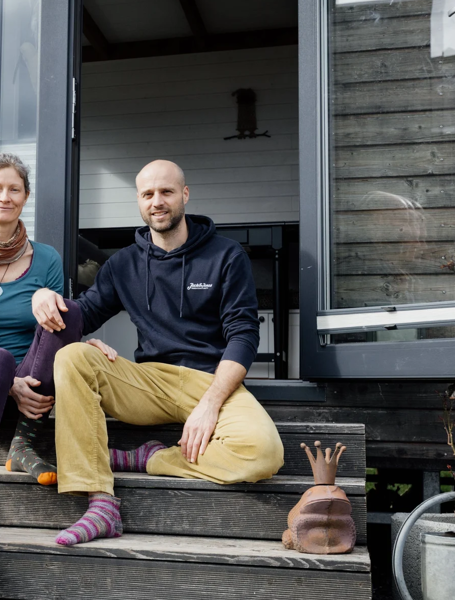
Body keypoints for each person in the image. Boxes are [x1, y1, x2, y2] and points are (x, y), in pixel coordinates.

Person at [30, 159, 285, 546]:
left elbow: (244, 335)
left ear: (184, 194)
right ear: (139, 200)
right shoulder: (123, 264)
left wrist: (211, 404)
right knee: (72, 357)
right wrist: (44, 296)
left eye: (166, 191)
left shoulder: (226, 255)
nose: (157, 201)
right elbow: (84, 314)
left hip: (213, 381)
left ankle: (148, 458)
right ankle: (100, 504)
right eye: (148, 194)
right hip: (150, 383)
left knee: (264, 452)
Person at [0, 152, 98, 584]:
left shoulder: (45, 258)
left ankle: (23, 443)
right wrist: (7, 381)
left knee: (70, 311)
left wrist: (56, 309)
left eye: (14, 189)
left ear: (25, 197)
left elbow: (54, 330)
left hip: (28, 382)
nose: (4, 196)